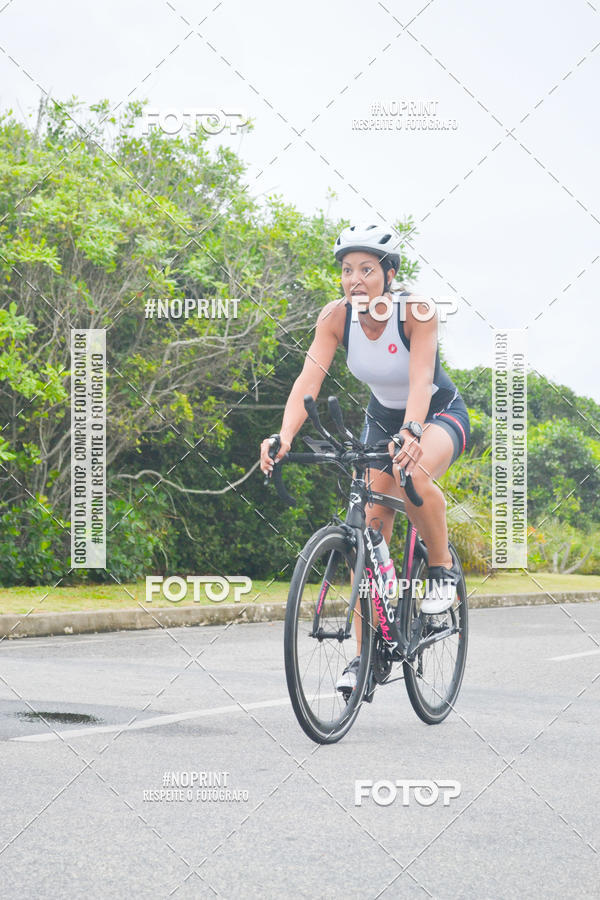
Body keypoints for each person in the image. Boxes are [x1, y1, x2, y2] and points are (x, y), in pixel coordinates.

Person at [259, 223, 470, 691]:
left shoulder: (415, 311)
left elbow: (420, 381)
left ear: (389, 274)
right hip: (381, 416)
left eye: (366, 270)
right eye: (347, 269)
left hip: (437, 410)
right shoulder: (335, 317)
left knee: (412, 474)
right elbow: (307, 381)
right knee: (369, 532)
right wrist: (284, 435)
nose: (354, 279)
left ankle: (440, 571)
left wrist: (413, 430)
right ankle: (367, 655)